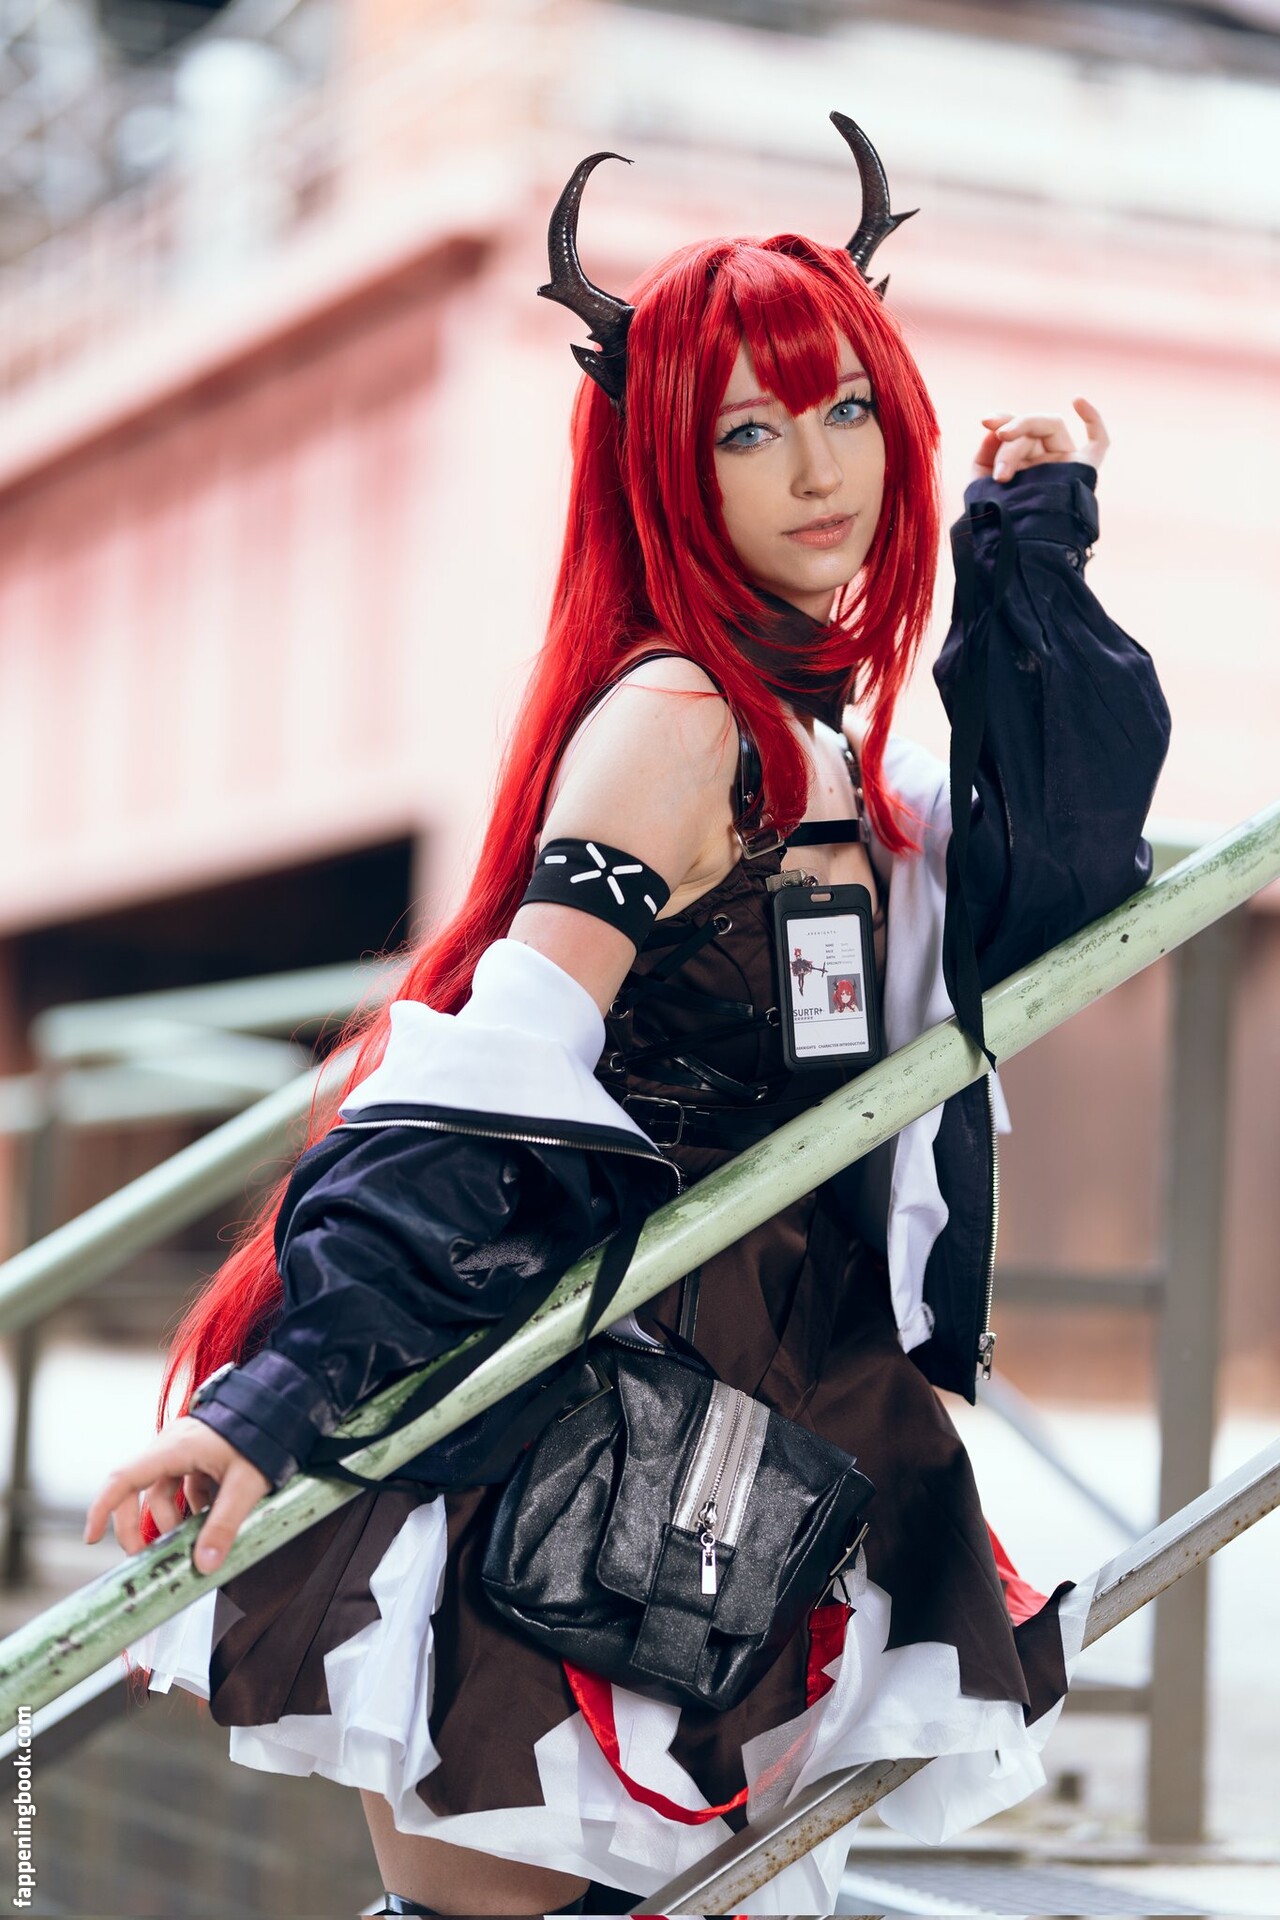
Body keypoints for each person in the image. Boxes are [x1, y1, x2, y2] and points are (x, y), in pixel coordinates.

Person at [85, 115, 1170, 1916]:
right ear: (667, 467)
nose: (814, 471)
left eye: (843, 412)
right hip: (573, 1424)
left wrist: (1032, 550)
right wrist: (272, 1406)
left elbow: (1056, 889)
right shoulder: (679, 725)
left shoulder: (825, 738)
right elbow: (486, 1080)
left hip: (757, 1427)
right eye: (746, 431)